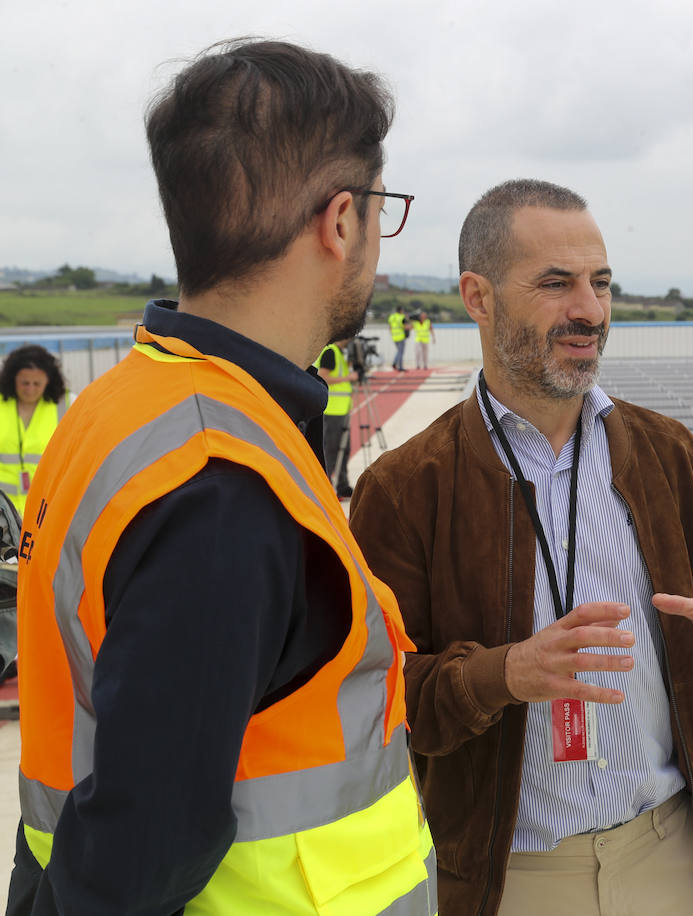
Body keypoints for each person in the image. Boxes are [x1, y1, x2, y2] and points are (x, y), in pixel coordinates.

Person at [6, 39, 436, 915]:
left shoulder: (119, 405)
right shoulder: (221, 480)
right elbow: (139, 851)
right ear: (341, 219)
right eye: (380, 212)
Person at [348, 179, 693, 916]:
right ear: (477, 297)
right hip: (505, 877)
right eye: (556, 284)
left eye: (600, 284)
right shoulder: (403, 488)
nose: (590, 311)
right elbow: (378, 701)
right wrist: (504, 674)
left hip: (668, 856)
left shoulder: (670, 455)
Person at [0, 345, 67, 518]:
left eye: (37, 383)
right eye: (24, 383)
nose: (30, 389)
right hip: (4, 512)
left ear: (49, 380)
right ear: (12, 379)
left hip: (47, 510)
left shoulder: (67, 405)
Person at [315, 337, 355, 498]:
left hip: (342, 408)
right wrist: (348, 378)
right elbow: (322, 376)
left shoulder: (339, 353)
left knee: (344, 449)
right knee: (331, 450)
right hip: (333, 409)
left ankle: (342, 485)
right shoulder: (330, 353)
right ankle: (327, 488)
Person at [390, 303, 411, 371]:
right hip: (401, 337)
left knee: (398, 352)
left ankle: (395, 363)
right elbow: (406, 327)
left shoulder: (392, 317)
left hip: (394, 337)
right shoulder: (402, 317)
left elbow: (390, 327)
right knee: (401, 353)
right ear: (401, 310)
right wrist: (410, 324)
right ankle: (400, 367)